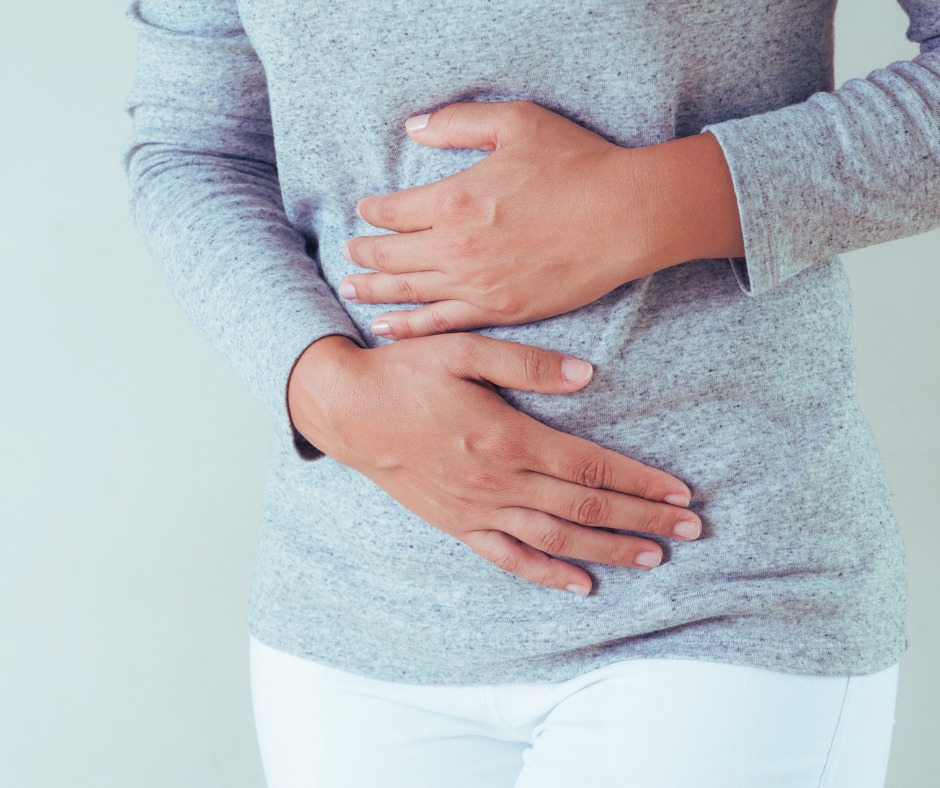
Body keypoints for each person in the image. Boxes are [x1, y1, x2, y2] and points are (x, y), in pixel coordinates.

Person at [124, 0, 939, 785]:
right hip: (357, 608)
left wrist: (645, 204)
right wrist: (327, 390)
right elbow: (194, 146)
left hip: (718, 582)